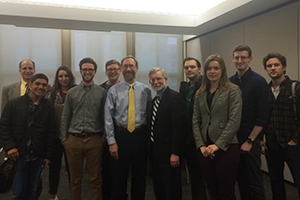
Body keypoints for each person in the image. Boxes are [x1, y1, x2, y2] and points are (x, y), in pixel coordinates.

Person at [193, 54, 242, 199]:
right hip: (204, 149)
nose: (212, 71)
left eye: (216, 68)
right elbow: (195, 120)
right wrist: (201, 145)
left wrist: (217, 145)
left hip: (226, 148)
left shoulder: (232, 90)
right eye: (209, 68)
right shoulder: (200, 93)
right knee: (212, 190)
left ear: (222, 70)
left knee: (226, 191)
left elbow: (234, 120)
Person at [0, 73, 54, 200]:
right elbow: (4, 127)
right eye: (37, 84)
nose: (40, 87)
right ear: (30, 85)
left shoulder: (48, 107)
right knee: (18, 192)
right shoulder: (14, 104)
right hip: (19, 155)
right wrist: (10, 147)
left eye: (44, 85)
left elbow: (50, 132)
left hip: (37, 155)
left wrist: (48, 155)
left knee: (32, 191)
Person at [105, 55, 152, 200]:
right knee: (119, 176)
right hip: (121, 136)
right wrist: (111, 142)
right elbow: (108, 118)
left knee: (139, 175)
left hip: (140, 136)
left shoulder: (146, 90)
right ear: (121, 69)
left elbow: (150, 116)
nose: (128, 69)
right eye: (125, 66)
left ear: (136, 68)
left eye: (131, 66)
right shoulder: (113, 90)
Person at [60, 57, 107, 200]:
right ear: (80, 71)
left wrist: (102, 139)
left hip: (94, 140)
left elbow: (105, 117)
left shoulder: (102, 92)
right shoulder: (72, 92)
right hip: (74, 140)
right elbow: (65, 117)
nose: (87, 72)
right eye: (85, 69)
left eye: (90, 69)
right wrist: (65, 140)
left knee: (95, 179)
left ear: (95, 71)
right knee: (75, 179)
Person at [229, 45, 269, 200]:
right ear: (233, 59)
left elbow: (262, 116)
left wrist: (250, 140)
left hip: (251, 140)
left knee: (255, 181)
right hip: (234, 140)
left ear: (250, 59)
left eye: (243, 57)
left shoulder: (259, 81)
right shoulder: (230, 82)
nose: (239, 61)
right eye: (236, 58)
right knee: (241, 180)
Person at [262, 53, 300, 200]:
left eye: (276, 65)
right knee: (275, 181)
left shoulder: (295, 88)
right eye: (269, 66)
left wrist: (295, 140)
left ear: (284, 67)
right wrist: (262, 138)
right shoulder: (265, 91)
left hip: (293, 144)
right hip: (272, 145)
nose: (272, 68)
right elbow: (263, 117)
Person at [148, 67, 185, 200]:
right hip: (156, 154)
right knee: (159, 188)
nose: (156, 82)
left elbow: (178, 128)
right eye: (153, 80)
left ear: (166, 79)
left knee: (172, 189)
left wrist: (175, 153)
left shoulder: (175, 98)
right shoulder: (153, 102)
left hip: (170, 154)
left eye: (159, 79)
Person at [46, 66, 76, 200]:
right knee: (54, 168)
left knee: (72, 169)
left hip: (72, 137)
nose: (64, 79)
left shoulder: (76, 91)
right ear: (57, 78)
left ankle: (73, 194)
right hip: (55, 137)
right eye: (60, 76)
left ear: (70, 77)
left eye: (66, 76)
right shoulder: (51, 93)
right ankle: (53, 195)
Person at [179, 57, 207, 200]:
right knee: (195, 176)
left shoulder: (205, 86)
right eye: (186, 68)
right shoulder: (184, 87)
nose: (189, 70)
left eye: (192, 67)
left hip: (202, 139)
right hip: (188, 139)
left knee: (203, 177)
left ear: (199, 69)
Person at [100, 59, 121, 200]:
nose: (112, 71)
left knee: (120, 171)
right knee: (105, 170)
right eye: (109, 69)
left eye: (115, 69)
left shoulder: (125, 88)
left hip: (121, 134)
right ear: (106, 72)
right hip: (103, 136)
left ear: (120, 71)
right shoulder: (100, 90)